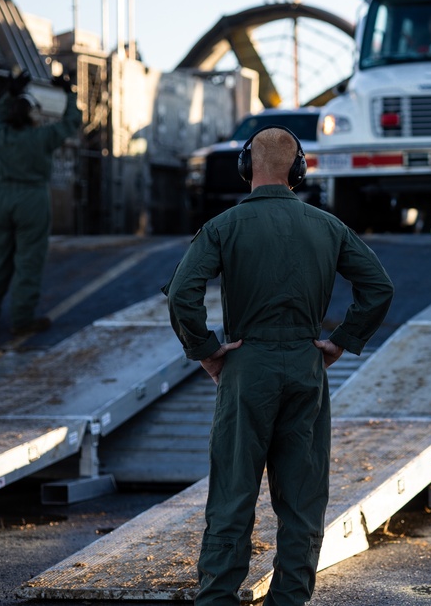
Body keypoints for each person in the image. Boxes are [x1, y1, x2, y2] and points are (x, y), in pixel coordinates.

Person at [163, 126, 394, 606]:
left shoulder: (223, 226)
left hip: (247, 366)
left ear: (246, 167)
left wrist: (206, 350)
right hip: (308, 367)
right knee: (303, 501)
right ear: (299, 169)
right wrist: (340, 342)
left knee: (232, 495)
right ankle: (289, 599)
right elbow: (378, 287)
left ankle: (218, 598)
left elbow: (184, 294)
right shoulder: (327, 226)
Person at [0, 70, 81, 336]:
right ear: (32, 115)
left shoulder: (0, 135)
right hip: (32, 200)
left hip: (2, 199)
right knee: (28, 262)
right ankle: (22, 320)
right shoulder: (42, 137)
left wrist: (9, 93)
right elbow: (72, 121)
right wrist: (68, 93)